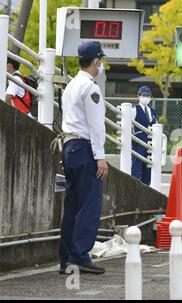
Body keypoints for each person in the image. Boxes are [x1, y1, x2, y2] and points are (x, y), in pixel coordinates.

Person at [58, 41, 108, 274]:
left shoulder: (71, 86)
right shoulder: (91, 88)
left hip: (68, 146)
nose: (102, 65)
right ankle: (79, 255)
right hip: (85, 147)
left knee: (72, 204)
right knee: (89, 204)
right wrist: (100, 156)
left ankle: (66, 257)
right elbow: (96, 125)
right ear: (96, 61)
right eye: (101, 61)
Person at [131, 86, 158, 186]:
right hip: (138, 143)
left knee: (148, 171)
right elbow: (129, 125)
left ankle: (145, 191)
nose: (146, 97)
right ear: (138, 96)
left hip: (150, 145)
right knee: (136, 169)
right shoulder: (134, 109)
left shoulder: (152, 111)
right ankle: (133, 189)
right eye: (143, 95)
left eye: (148, 95)